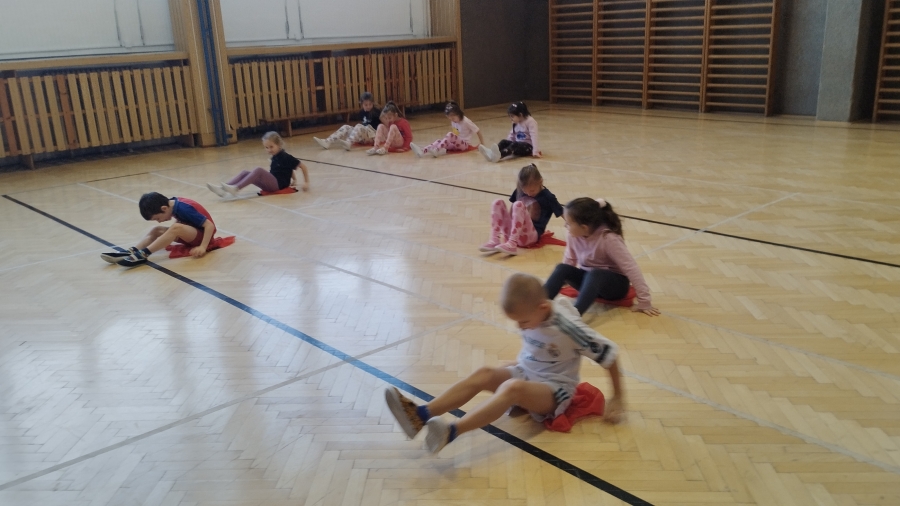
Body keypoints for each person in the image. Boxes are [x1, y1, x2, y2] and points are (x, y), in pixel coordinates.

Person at [384, 273, 625, 454]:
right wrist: (517, 365)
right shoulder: (533, 313)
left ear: (542, 307)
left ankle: (451, 432)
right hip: (526, 373)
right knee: (484, 373)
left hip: (555, 391)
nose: (520, 327)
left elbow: (610, 355)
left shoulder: (569, 328)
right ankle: (420, 415)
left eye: (523, 322)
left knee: (512, 388)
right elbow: (537, 347)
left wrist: (618, 397)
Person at [544, 197, 660, 316]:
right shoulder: (573, 235)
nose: (565, 226)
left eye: (568, 223)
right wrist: (560, 280)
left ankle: (574, 315)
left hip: (614, 287)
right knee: (562, 268)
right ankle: (540, 305)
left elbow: (631, 268)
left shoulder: (608, 238)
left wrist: (644, 301)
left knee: (595, 274)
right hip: (589, 282)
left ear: (584, 227)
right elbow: (570, 259)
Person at [100, 193, 217, 267]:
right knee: (156, 230)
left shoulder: (184, 208)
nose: (159, 221)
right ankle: (133, 251)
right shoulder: (172, 204)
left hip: (203, 237)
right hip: (194, 234)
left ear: (164, 208)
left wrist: (203, 247)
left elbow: (209, 225)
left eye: (157, 218)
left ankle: (143, 254)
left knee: (176, 227)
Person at [480, 164, 563, 256]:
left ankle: (512, 244)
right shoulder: (519, 190)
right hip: (512, 233)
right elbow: (513, 211)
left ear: (540, 182)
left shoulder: (548, 197)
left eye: (532, 191)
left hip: (530, 237)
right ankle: (494, 240)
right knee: (497, 202)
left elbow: (562, 212)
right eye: (525, 191)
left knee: (518, 205)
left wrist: (573, 226)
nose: (528, 194)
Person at [207, 132, 309, 198]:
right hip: (272, 184)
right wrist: (294, 179)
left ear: (279, 145)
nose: (269, 150)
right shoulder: (275, 156)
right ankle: (222, 189)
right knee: (245, 172)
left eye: (271, 147)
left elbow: (303, 166)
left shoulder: (286, 156)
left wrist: (306, 182)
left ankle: (236, 188)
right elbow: (288, 168)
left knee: (258, 170)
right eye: (266, 147)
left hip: (278, 185)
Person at [409, 101, 483, 157]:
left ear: (458, 114)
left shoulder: (466, 121)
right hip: (456, 144)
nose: (452, 120)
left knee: (450, 134)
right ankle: (422, 151)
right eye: (450, 119)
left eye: (453, 118)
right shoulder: (453, 122)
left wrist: (482, 144)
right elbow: (456, 134)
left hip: (464, 145)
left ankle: (436, 150)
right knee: (439, 141)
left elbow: (478, 130)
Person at [313, 91, 380, 150]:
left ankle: (348, 142)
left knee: (359, 126)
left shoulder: (376, 112)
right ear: (362, 104)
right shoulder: (362, 112)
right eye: (366, 105)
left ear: (373, 103)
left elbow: (380, 126)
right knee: (346, 127)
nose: (368, 106)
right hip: (363, 133)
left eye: (370, 104)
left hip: (372, 135)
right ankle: (328, 141)